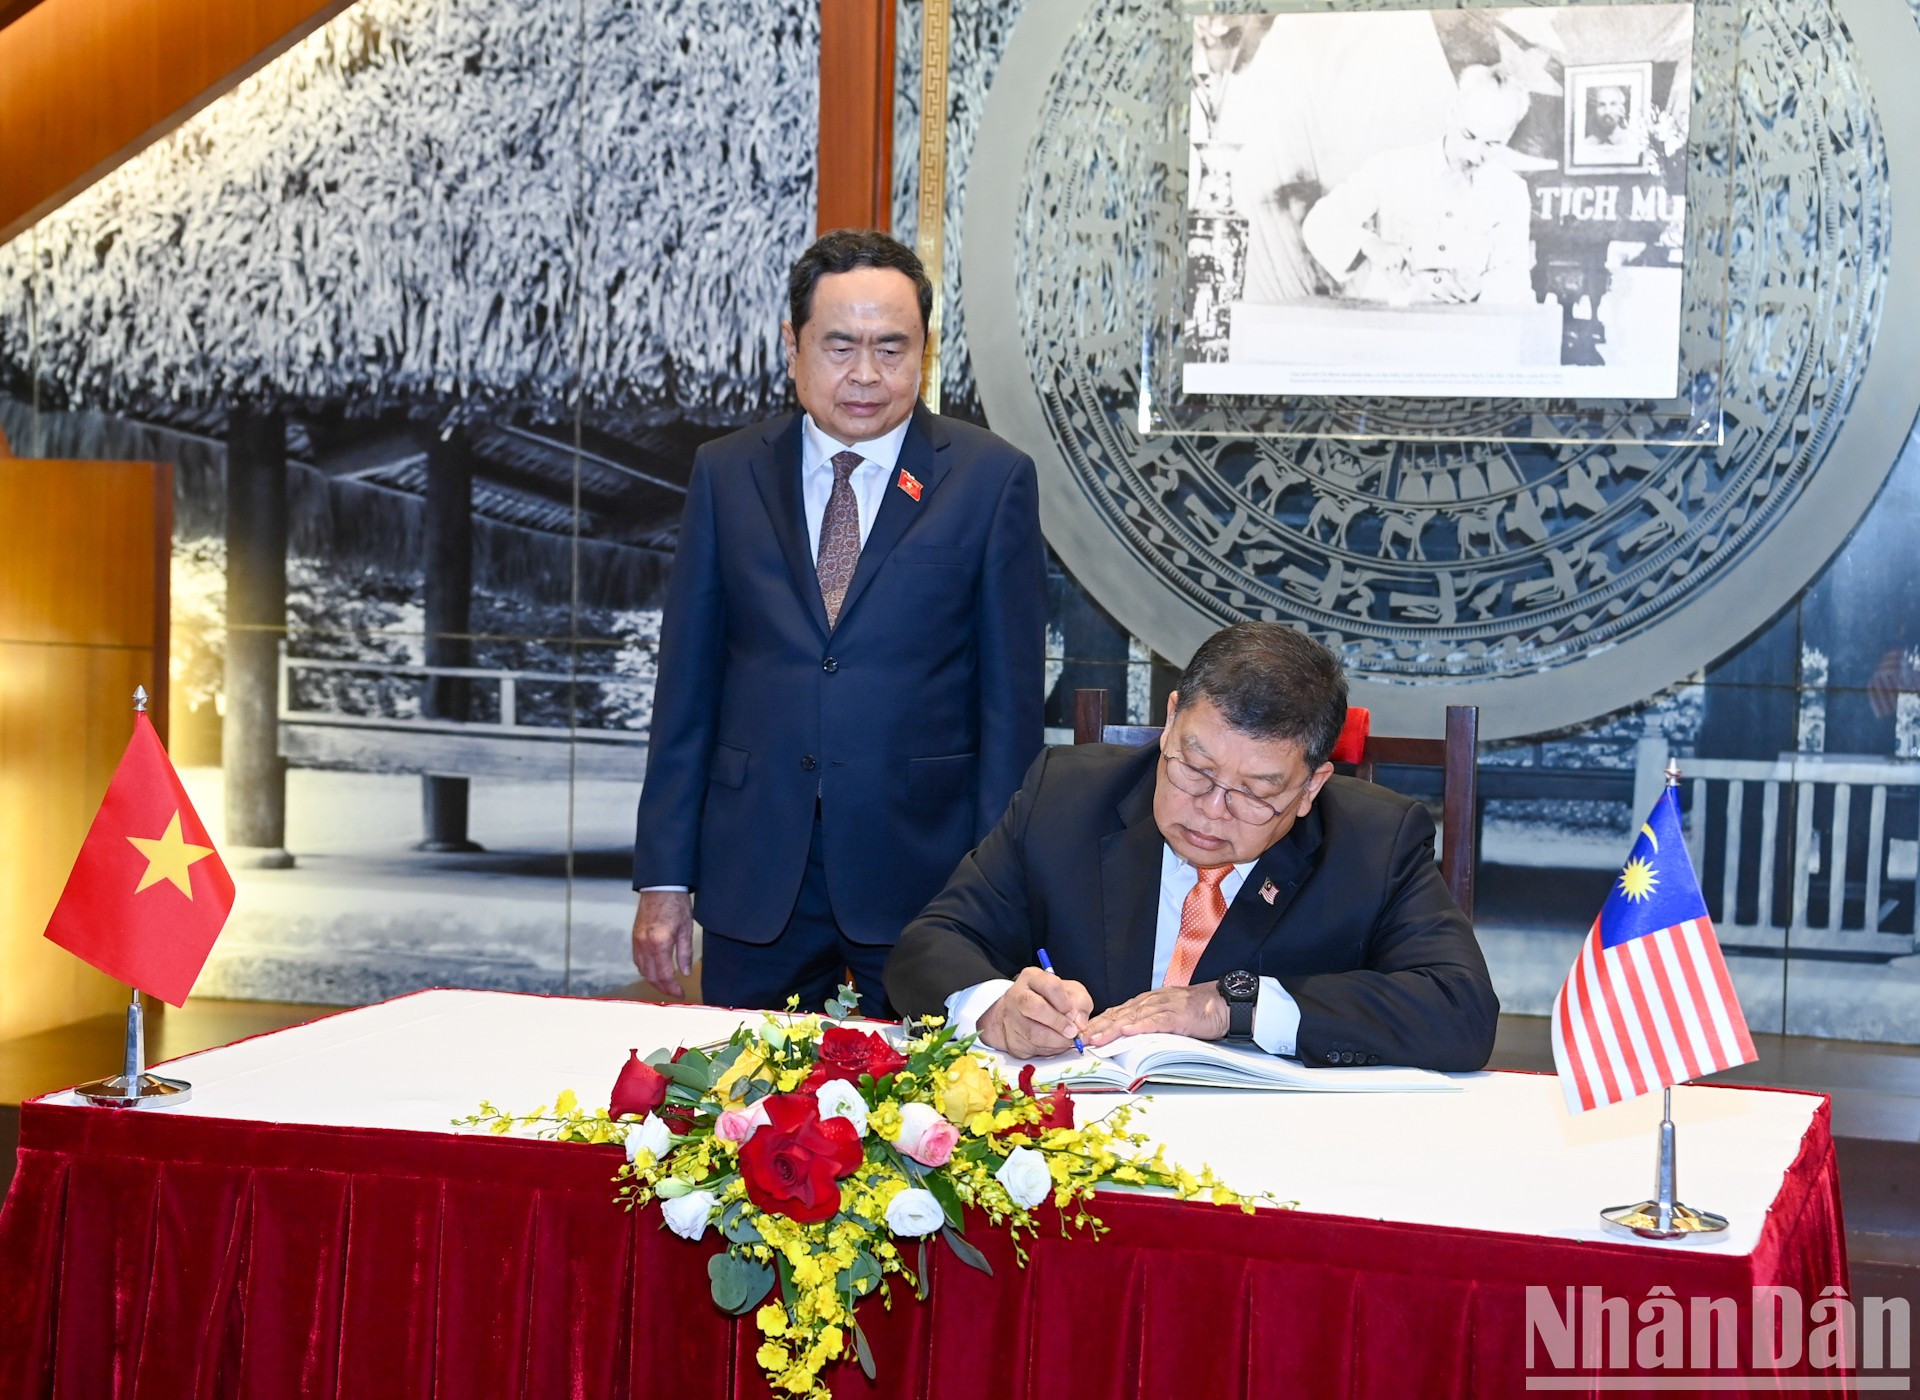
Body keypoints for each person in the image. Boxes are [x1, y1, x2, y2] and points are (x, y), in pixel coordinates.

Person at [630, 230, 1047, 1014]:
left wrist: (997, 893)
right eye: (840, 346)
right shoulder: (727, 472)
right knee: (738, 1082)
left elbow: (1010, 709)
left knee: (932, 1090)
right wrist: (664, 878)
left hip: (924, 874)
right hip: (756, 868)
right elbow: (685, 689)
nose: (865, 375)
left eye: (891, 348)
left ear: (923, 349)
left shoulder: (990, 480)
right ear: (793, 346)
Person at [885, 622, 1498, 1072]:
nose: (1211, 809)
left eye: (1256, 792)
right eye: (1195, 769)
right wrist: (995, 1007)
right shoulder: (1066, 796)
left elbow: (1461, 1010)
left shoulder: (1374, 841)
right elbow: (930, 944)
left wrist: (1236, 1007)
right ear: (1172, 720)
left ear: (1311, 787)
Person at [1301, 64, 1535, 307]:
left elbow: (1515, 277)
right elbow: (1319, 223)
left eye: (1492, 144)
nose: (1473, 155)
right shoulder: (1391, 168)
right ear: (1453, 112)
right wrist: (1371, 245)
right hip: (1388, 323)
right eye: (1468, 135)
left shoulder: (1511, 192)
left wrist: (1481, 287)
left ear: (1509, 135)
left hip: (1467, 327)